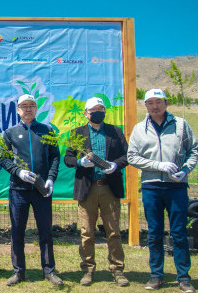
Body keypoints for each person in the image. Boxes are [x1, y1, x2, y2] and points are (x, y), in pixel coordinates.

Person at [127, 88, 198, 293]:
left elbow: (193, 150)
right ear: (146, 106)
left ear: (166, 103)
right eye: (150, 102)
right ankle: (156, 275)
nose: (155, 106)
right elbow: (132, 157)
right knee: (154, 233)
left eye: (158, 102)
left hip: (176, 187)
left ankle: (184, 278)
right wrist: (158, 166)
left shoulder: (181, 125)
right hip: (151, 187)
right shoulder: (139, 129)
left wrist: (185, 170)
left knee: (179, 233)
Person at [64, 97, 129, 287]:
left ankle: (117, 269)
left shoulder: (115, 131)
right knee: (87, 232)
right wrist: (80, 162)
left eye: (101, 108)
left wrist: (115, 165)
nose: (98, 111)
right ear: (86, 113)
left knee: (114, 231)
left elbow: (127, 155)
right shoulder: (77, 133)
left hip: (109, 187)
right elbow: (68, 158)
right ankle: (87, 269)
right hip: (88, 187)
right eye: (93, 109)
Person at [0, 94, 63, 287]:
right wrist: (18, 172)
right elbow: (4, 159)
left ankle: (49, 270)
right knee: (17, 231)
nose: (28, 109)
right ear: (17, 110)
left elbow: (54, 157)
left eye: (32, 106)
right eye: (24, 106)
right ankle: (19, 271)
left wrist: (51, 179)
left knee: (45, 231)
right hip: (18, 189)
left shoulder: (47, 130)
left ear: (36, 109)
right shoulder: (9, 133)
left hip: (41, 189)